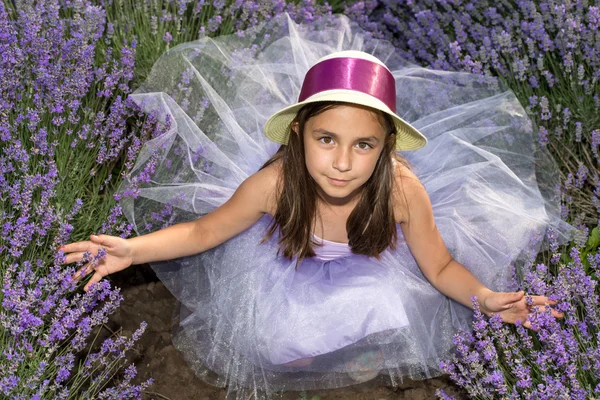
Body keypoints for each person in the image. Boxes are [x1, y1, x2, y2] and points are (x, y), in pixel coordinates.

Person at [60, 14, 570, 399]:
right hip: (290, 263)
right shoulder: (275, 184)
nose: (343, 163)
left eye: (364, 145)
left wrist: (483, 297)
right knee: (272, 341)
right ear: (300, 133)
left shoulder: (400, 191)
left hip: (369, 266)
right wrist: (132, 250)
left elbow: (437, 265)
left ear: (387, 147)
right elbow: (201, 235)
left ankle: (358, 346)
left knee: (392, 305)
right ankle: (308, 353)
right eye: (327, 139)